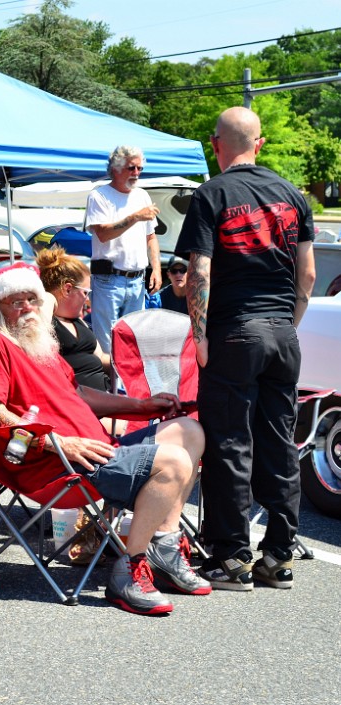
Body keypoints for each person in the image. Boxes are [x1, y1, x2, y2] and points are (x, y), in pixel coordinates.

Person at [0, 262, 208, 615]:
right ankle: (128, 571)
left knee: (191, 430)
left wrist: (141, 406)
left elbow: (79, 395)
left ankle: (165, 544)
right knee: (172, 462)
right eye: (13, 302)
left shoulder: (40, 347)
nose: (26, 309)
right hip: (56, 466)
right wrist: (59, 443)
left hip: (95, 452)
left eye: (31, 300)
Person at [175, 106, 316, 591]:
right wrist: (287, 324)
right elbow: (309, 275)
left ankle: (231, 558)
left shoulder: (211, 193)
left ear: (216, 145)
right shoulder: (294, 196)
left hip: (234, 331)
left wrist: (200, 339)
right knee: (279, 443)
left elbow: (198, 272)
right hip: (281, 332)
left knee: (231, 443)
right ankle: (278, 556)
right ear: (259, 145)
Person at [85, 146, 162, 354]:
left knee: (134, 344)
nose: (137, 173)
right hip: (108, 280)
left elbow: (151, 237)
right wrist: (134, 217)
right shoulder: (99, 196)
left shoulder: (142, 196)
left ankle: (127, 388)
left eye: (140, 168)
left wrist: (157, 268)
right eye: (131, 168)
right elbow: (103, 234)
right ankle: (110, 387)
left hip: (138, 280)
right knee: (108, 347)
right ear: (116, 168)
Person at [35, 246, 111, 391]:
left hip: (104, 395)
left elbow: (101, 358)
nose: (88, 300)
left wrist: (126, 362)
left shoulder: (78, 321)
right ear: (67, 289)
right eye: (85, 292)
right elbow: (43, 309)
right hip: (75, 402)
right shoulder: (44, 319)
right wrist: (51, 296)